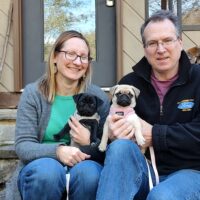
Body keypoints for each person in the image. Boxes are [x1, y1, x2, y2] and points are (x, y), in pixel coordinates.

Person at [96, 10, 200, 200]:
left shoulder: (198, 79)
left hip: (192, 172)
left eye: (167, 40)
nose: (160, 49)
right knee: (119, 148)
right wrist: (112, 134)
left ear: (180, 42)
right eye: (152, 43)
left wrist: (155, 135)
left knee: (161, 196)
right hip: (143, 168)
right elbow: (106, 129)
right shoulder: (128, 84)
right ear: (144, 48)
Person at [5, 30, 110, 200]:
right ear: (54, 56)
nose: (78, 62)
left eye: (84, 57)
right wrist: (58, 151)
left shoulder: (98, 97)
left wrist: (88, 143)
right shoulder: (33, 93)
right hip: (42, 165)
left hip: (85, 163)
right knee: (48, 173)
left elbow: (107, 149)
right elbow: (23, 145)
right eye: (71, 54)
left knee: (89, 175)